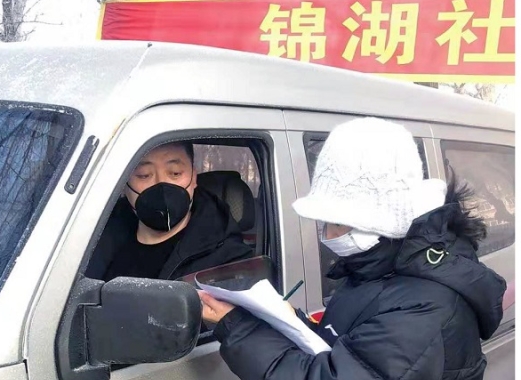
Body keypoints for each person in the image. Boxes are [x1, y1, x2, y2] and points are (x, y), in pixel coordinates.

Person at [199, 118, 506, 380]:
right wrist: (293, 320)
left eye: (338, 223)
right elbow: (350, 349)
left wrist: (237, 328)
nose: (328, 235)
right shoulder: (379, 268)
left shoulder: (425, 307)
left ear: (379, 221)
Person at [86, 141, 254, 281]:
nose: (161, 184)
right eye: (144, 175)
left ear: (194, 177)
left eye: (175, 173)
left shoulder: (229, 262)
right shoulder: (87, 240)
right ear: (124, 183)